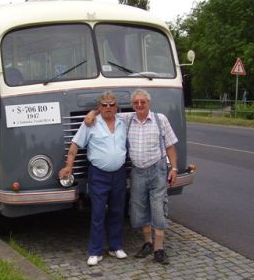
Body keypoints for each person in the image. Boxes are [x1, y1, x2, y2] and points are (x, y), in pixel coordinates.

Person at [85, 88, 178, 265]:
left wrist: (173, 168)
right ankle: (147, 243)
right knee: (139, 207)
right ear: (132, 105)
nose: (139, 105)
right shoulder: (127, 119)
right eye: (136, 102)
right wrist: (93, 112)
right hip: (137, 172)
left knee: (158, 208)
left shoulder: (161, 120)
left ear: (149, 103)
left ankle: (159, 248)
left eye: (143, 101)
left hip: (157, 170)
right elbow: (107, 110)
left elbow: (170, 146)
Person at [59, 91, 127, 266]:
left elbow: (142, 111)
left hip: (119, 174)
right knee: (97, 213)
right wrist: (68, 166)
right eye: (104, 105)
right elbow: (74, 145)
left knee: (117, 211)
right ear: (99, 107)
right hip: (98, 175)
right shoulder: (90, 124)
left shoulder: (123, 122)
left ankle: (115, 246)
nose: (108, 108)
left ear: (116, 106)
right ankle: (95, 251)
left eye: (111, 104)